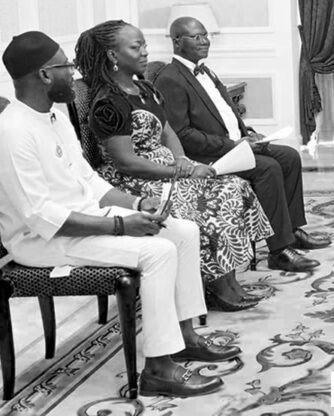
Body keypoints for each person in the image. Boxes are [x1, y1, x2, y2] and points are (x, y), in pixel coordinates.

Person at [0, 31, 239, 397]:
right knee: (158, 252)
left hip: (81, 218)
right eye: (65, 65)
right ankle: (158, 367)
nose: (74, 71)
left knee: (183, 231)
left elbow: (90, 182)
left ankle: (185, 334)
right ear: (45, 75)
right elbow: (40, 217)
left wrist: (137, 205)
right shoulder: (13, 131)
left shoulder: (54, 118)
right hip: (42, 241)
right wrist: (118, 226)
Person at [75, 20, 273, 312]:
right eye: (136, 46)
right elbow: (126, 162)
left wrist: (183, 161)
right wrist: (178, 172)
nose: (145, 51)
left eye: (144, 44)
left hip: (169, 170)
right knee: (209, 202)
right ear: (113, 56)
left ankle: (227, 280)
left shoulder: (144, 88)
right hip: (136, 181)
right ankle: (217, 286)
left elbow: (167, 131)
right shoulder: (108, 102)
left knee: (234, 187)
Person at [153, 17, 328, 273]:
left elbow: (226, 115)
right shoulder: (170, 78)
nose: (204, 41)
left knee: (289, 156)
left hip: (234, 145)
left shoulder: (206, 70)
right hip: (207, 156)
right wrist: (232, 145)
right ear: (177, 41)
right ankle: (279, 250)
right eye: (196, 36)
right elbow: (182, 134)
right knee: (267, 168)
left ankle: (291, 230)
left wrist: (249, 135)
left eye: (205, 35)